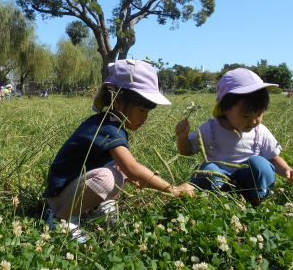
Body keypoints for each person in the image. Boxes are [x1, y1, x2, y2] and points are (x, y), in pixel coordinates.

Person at [43, 59, 194, 242]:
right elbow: (132, 167)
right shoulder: (106, 126)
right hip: (60, 197)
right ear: (119, 100)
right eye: (141, 110)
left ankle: (95, 208)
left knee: (119, 170)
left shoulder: (114, 124)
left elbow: (127, 169)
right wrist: (173, 190)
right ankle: (61, 219)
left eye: (147, 112)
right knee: (107, 178)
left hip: (75, 189)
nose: (144, 118)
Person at [175, 68, 293, 205]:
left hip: (249, 182)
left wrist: (288, 171)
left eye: (259, 114)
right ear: (224, 109)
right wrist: (183, 137)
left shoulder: (260, 132)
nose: (254, 121)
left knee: (261, 164)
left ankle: (256, 201)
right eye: (246, 116)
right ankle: (212, 201)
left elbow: (273, 158)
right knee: (208, 169)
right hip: (219, 182)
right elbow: (186, 150)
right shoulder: (210, 129)